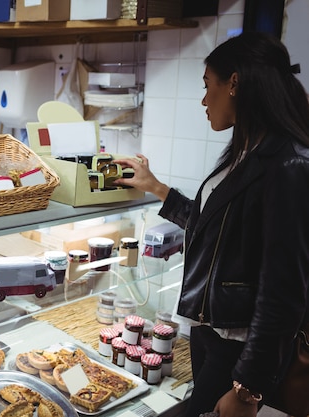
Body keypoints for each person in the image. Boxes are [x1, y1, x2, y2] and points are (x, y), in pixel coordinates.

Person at [113, 32, 309, 417]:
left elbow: (284, 293)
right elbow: (219, 231)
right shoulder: (247, 151)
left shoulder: (289, 165)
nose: (204, 100)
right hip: (209, 333)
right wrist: (156, 188)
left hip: (238, 349)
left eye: (208, 86)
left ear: (234, 83)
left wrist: (248, 389)